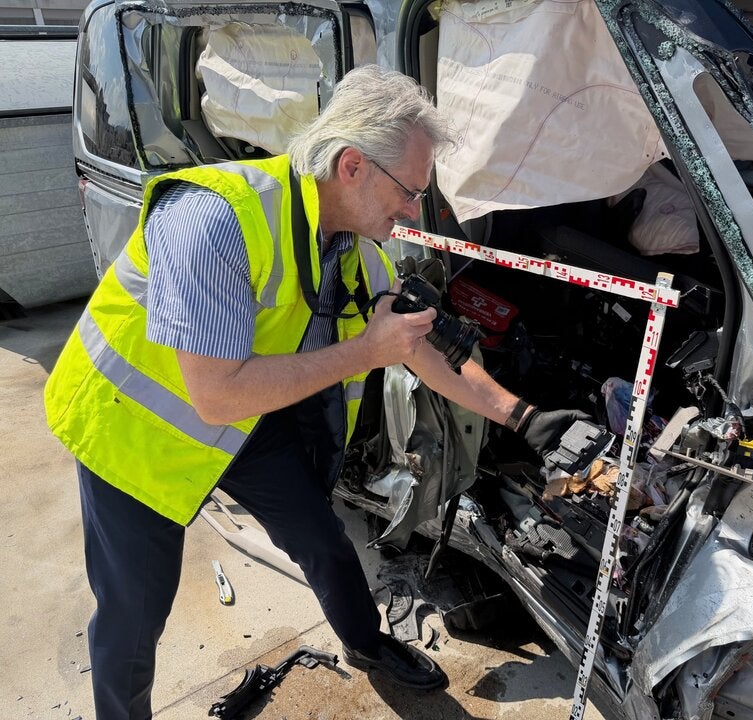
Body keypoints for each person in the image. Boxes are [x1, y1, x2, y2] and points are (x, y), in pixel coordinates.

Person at [44, 64, 586, 719]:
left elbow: (417, 341)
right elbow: (216, 396)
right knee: (135, 611)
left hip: (245, 413)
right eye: (411, 192)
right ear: (352, 166)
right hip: (130, 425)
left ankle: (365, 643)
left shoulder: (359, 250)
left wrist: (524, 417)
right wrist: (366, 350)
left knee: (323, 540)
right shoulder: (215, 219)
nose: (416, 210)